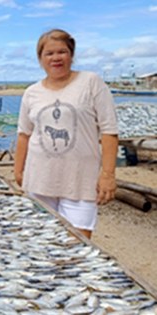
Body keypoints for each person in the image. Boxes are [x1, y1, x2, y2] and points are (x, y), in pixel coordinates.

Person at [14, 29, 119, 239]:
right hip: (39, 179)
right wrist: (18, 171)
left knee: (77, 245)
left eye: (62, 52)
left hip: (80, 180)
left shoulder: (91, 82)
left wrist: (107, 175)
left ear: (71, 54)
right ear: (40, 59)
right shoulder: (31, 92)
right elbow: (24, 134)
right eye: (49, 53)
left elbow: (109, 131)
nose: (56, 58)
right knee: (39, 241)